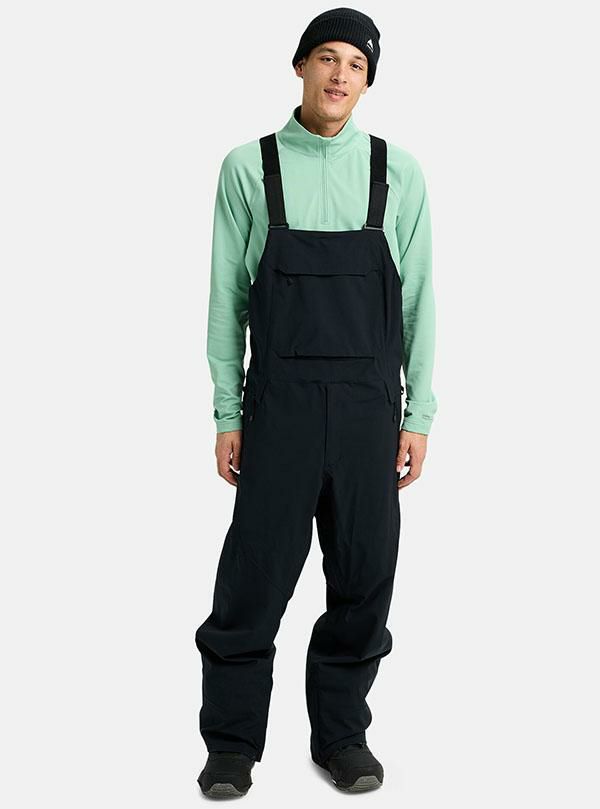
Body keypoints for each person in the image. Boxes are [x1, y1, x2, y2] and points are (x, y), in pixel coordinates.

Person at [195, 6, 438, 797]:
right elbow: (227, 298)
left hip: (370, 411)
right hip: (280, 410)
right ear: (300, 65)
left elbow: (419, 301)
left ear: (368, 82)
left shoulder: (398, 172)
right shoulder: (248, 166)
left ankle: (341, 736)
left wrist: (419, 413)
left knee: (366, 577)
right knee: (254, 578)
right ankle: (232, 744)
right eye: (327, 57)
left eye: (356, 65)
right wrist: (228, 413)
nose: (340, 75)